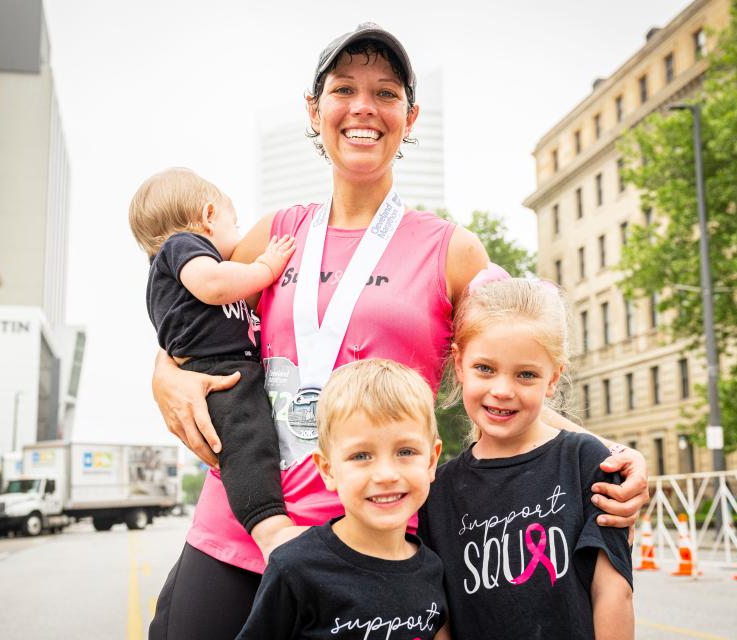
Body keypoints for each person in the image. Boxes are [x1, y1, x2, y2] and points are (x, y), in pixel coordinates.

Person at [148, 23, 648, 640]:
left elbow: (519, 361)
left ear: (409, 118)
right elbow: (192, 325)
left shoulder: (451, 250)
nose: (363, 107)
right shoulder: (273, 234)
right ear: (315, 110)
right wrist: (163, 374)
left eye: (385, 93)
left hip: (380, 545)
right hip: (244, 526)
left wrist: (606, 456)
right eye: (343, 89)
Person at [418, 277, 634, 639]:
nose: (502, 390)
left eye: (526, 375)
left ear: (553, 379)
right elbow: (439, 617)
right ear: (458, 362)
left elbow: (613, 591)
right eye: (484, 368)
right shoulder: (437, 490)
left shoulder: (586, 463)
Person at [129, 168, 299, 558]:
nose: (237, 236)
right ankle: (269, 526)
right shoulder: (182, 248)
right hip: (217, 373)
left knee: (253, 440)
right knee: (246, 444)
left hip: (225, 368)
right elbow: (215, 285)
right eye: (233, 223)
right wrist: (265, 268)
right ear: (208, 216)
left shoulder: (175, 262)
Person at [236, 360, 450, 639]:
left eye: (406, 451)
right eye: (361, 456)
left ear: (432, 460)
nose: (386, 475)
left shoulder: (434, 569)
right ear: (328, 469)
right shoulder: (294, 567)